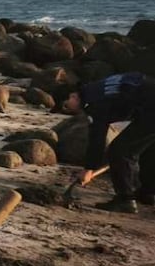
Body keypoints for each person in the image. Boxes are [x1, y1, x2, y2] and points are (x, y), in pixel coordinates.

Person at [64, 73, 155, 213]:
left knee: (120, 150)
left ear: (74, 96)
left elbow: (98, 138)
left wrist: (88, 169)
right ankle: (148, 192)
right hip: (148, 103)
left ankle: (125, 200)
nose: (69, 110)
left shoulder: (94, 102)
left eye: (66, 105)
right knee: (147, 148)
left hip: (150, 108)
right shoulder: (97, 88)